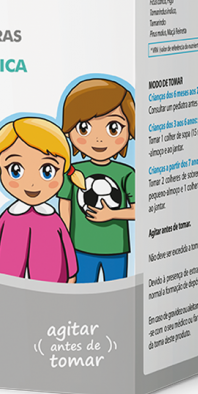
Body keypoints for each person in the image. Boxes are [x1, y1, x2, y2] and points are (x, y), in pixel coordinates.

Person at [0, 117, 84, 283]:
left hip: (51, 284)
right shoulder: (8, 217)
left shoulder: (53, 219)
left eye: (47, 171)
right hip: (8, 283)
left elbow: (67, 248)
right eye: (16, 170)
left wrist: (71, 275)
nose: (32, 183)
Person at [58, 79, 135, 283]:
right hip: (80, 247)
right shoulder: (72, 172)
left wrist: (112, 214)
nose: (99, 139)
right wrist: (64, 241)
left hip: (115, 248)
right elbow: (65, 207)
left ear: (129, 132)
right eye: (84, 128)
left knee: (117, 295)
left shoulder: (126, 173)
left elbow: (141, 211)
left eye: (113, 128)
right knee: (82, 293)